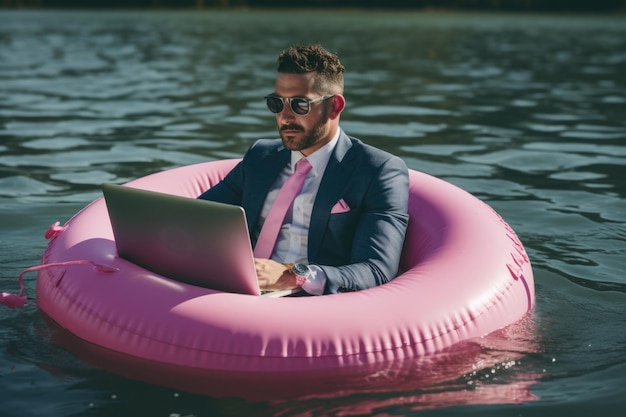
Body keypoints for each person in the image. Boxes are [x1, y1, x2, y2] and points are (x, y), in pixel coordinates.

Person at [198, 44, 409, 295]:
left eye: (299, 105)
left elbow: (376, 269)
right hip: (236, 289)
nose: (285, 117)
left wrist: (292, 276)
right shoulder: (260, 157)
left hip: (309, 305)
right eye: (277, 103)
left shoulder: (378, 171)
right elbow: (198, 216)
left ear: (335, 106)